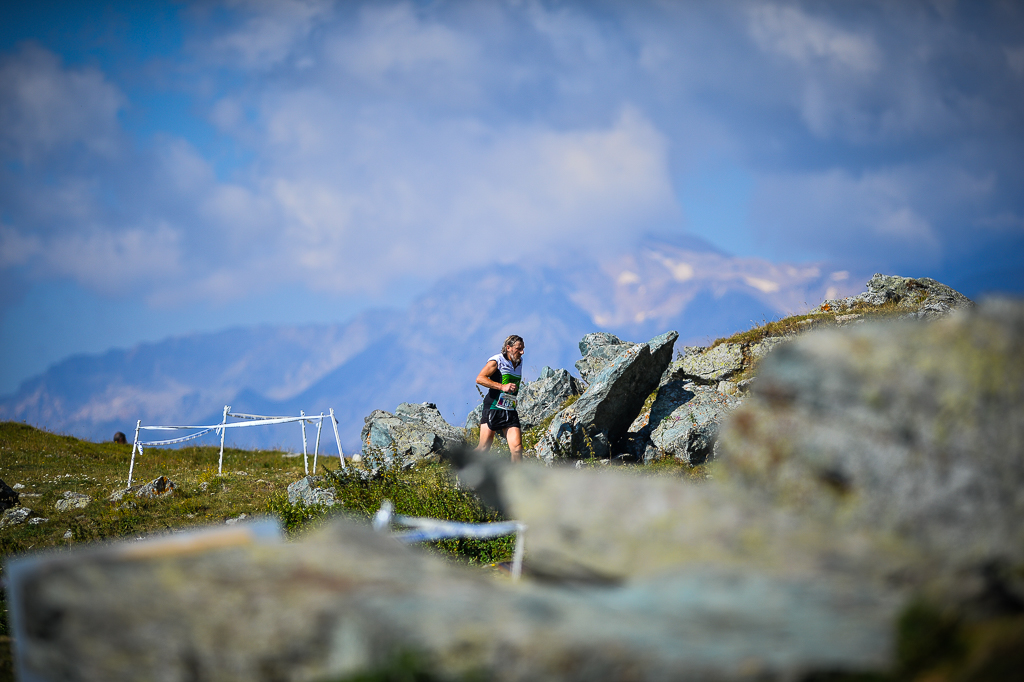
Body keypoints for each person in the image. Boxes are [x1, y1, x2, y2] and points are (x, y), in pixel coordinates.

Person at [475, 334, 525, 462]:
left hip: (509, 408)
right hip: (493, 407)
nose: (522, 352)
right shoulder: (497, 360)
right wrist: (502, 387)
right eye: (518, 349)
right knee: (483, 448)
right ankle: (462, 468)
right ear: (508, 348)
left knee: (517, 448)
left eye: (523, 349)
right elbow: (480, 378)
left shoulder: (519, 362)